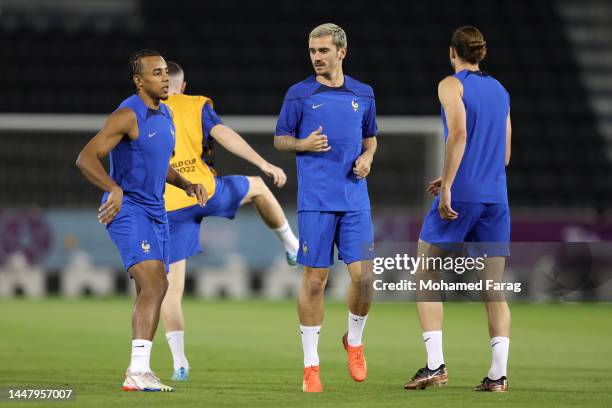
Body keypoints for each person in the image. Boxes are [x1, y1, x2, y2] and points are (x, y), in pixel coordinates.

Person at [75, 50, 206, 392]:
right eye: (157, 73)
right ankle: (137, 371)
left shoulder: (166, 115)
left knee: (151, 288)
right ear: (139, 80)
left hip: (156, 212)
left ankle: (138, 371)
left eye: (166, 72)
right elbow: (85, 157)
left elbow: (158, 163)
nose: (165, 78)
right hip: (127, 210)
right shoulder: (126, 115)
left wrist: (186, 183)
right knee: (157, 284)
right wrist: (112, 187)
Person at [160, 61, 299, 381]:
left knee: (171, 290)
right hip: (206, 190)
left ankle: (180, 363)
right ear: (183, 86)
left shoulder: (143, 110)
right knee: (258, 187)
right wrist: (263, 163)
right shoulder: (195, 104)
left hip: (170, 205)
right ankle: (292, 246)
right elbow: (224, 135)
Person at [403, 26, 512, 393]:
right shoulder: (500, 90)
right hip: (496, 198)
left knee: (425, 276)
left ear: (453, 52)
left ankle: (435, 366)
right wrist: (452, 174)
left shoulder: (451, 85)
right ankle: (498, 376)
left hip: (461, 195)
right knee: (493, 290)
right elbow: (504, 154)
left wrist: (449, 184)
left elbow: (460, 133)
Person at [274, 23, 378, 393]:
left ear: (341, 52)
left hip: (355, 202)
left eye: (323, 51)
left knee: (365, 280)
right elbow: (280, 139)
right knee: (315, 281)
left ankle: (354, 341)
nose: (316, 57)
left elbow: (371, 138)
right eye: (312, 51)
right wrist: (301, 144)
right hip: (316, 202)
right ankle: (311, 364)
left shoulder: (363, 94)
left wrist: (367, 158)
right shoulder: (299, 94)